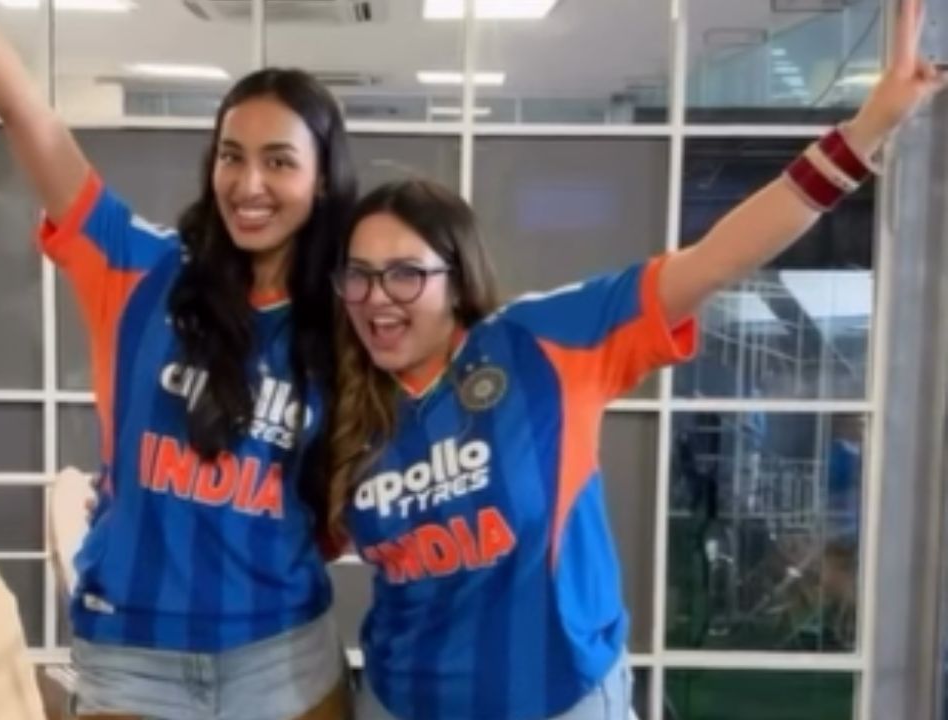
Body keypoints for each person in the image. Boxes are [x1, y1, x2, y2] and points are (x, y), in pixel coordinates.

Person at [327, 2, 943, 718]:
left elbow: (717, 259)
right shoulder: (336, 399)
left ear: (458, 278)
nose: (377, 298)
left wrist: (866, 133)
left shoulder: (543, 346)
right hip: (404, 704)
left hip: (564, 702)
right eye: (358, 274)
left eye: (405, 273)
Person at [0, 1, 357, 717]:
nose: (248, 185)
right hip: (132, 653)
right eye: (231, 155)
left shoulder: (347, 321)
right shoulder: (136, 269)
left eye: (279, 161)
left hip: (285, 653)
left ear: (323, 179)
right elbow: (24, 112)